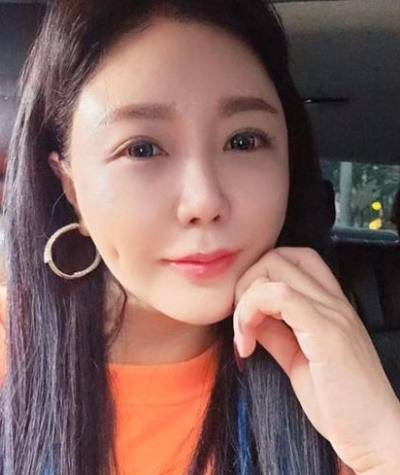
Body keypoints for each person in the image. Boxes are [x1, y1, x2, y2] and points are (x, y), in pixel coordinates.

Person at [0, 1, 399, 474]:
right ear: (70, 186)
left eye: (243, 141)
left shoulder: (329, 387)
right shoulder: (10, 352)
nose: (204, 201)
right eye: (142, 149)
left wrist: (381, 444)